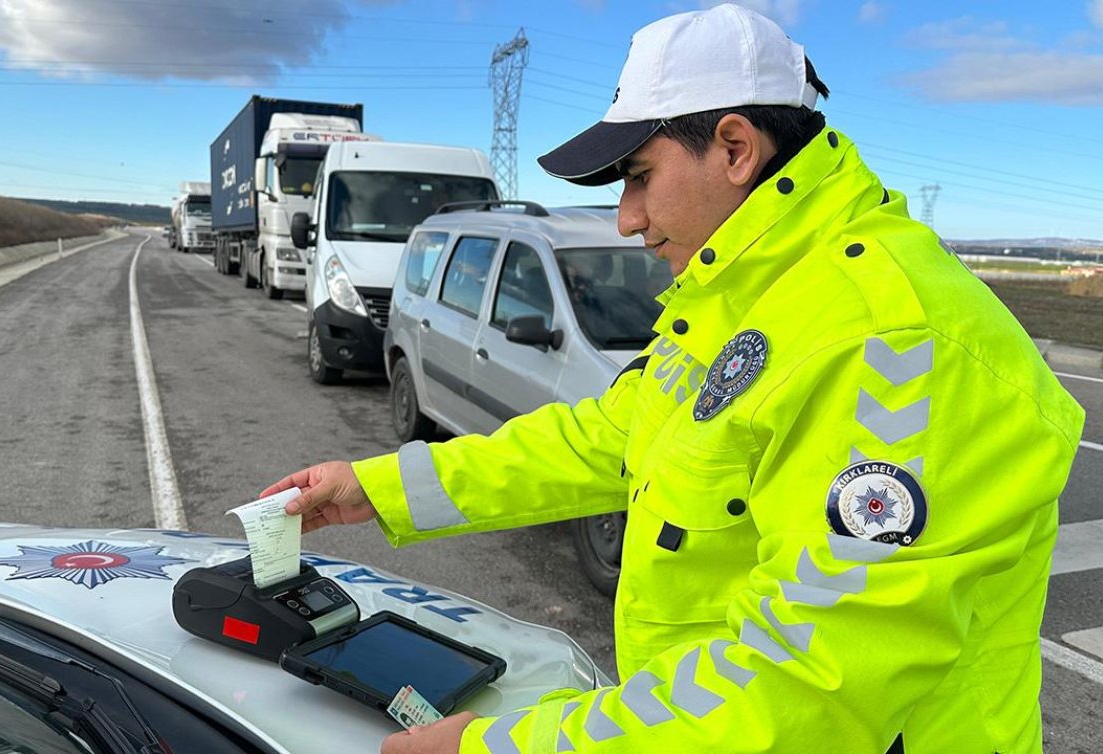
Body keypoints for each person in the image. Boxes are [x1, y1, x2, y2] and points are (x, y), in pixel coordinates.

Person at [261, 6, 1084, 753]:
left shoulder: (890, 340)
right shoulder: (748, 297)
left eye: (639, 175)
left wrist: (497, 749)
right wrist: (380, 488)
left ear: (734, 148)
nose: (625, 217)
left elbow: (810, 685)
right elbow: (607, 438)